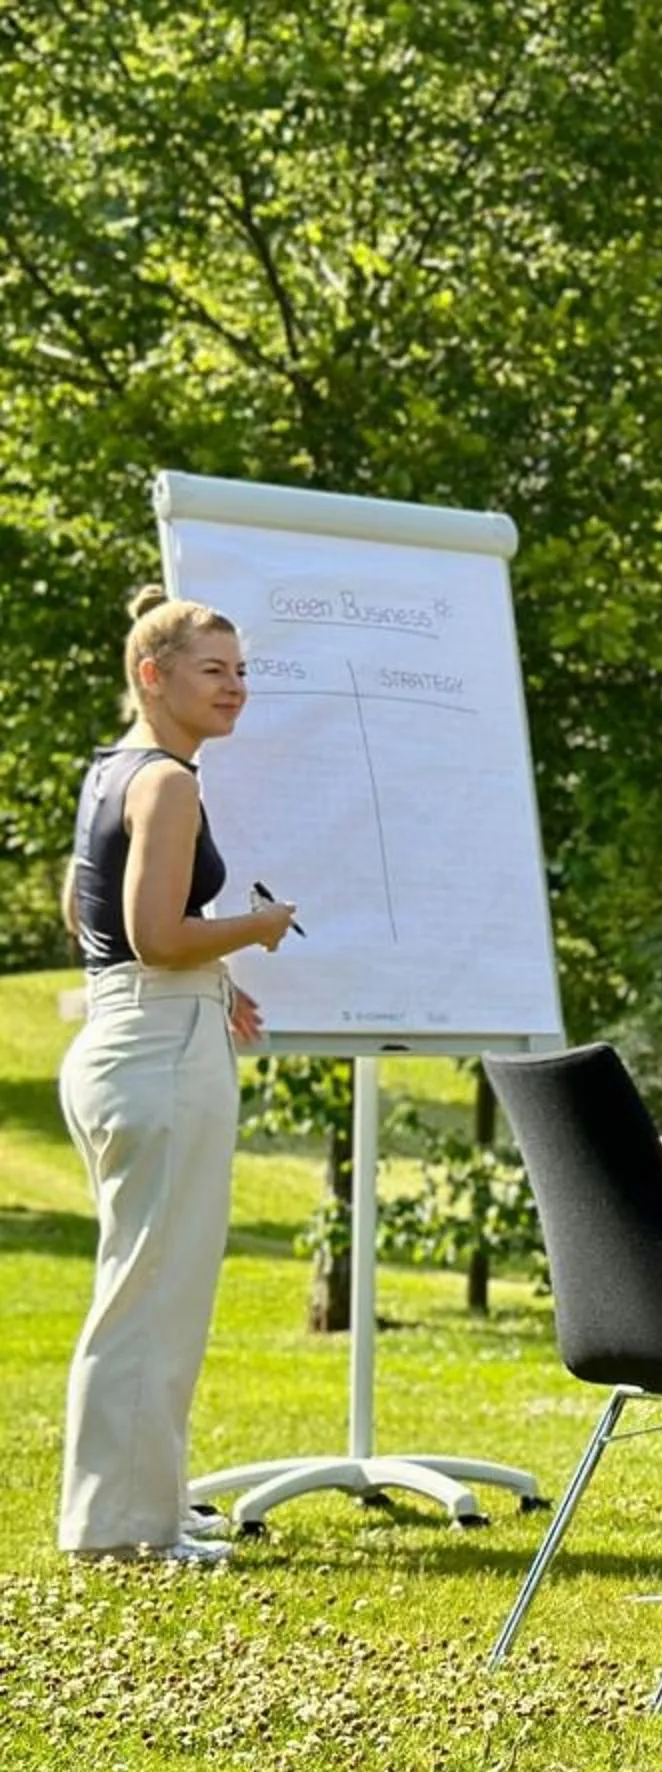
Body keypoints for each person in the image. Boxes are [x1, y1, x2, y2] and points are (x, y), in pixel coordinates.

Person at [58, 587, 297, 1565]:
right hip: (157, 1051)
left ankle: (142, 1507)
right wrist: (257, 925)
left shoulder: (112, 772)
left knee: (145, 1288)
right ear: (152, 675)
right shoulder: (169, 782)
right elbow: (156, 933)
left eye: (241, 669)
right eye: (214, 669)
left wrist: (216, 974)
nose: (235, 685)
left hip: (127, 1037)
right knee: (153, 1297)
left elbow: (88, 918)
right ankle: (122, 1531)